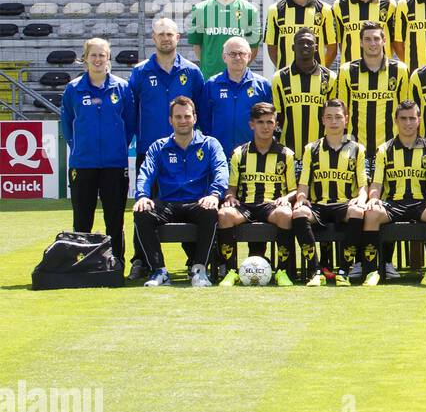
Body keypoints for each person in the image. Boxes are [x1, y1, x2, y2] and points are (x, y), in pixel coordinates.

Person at [126, 17, 206, 278]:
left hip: (187, 153)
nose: (165, 38)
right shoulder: (140, 72)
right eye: (160, 34)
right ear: (153, 38)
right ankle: (141, 261)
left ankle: (194, 259)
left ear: (178, 38)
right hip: (151, 153)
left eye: (170, 34)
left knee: (189, 203)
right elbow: (129, 111)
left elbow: (201, 111)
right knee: (145, 207)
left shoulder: (192, 72)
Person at [131, 96, 228, 287]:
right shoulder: (158, 147)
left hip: (197, 202)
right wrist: (142, 195)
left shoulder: (210, 144)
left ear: (195, 118)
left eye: (187, 116)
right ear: (170, 120)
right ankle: (159, 271)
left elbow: (221, 171)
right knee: (142, 212)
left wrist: (214, 194)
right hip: (168, 203)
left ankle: (199, 270)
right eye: (178, 117)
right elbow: (145, 172)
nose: (183, 121)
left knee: (210, 211)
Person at [61, 37, 135, 266]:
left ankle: (117, 261)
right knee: (82, 218)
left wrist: (117, 147)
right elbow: (67, 123)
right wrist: (80, 148)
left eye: (102, 54)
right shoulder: (73, 89)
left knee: (114, 218)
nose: (98, 59)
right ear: (85, 58)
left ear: (108, 57)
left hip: (114, 164)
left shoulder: (122, 87)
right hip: (83, 164)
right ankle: (81, 263)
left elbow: (130, 123)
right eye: (93, 55)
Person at [213, 102, 298, 287]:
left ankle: (282, 271)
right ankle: (230, 271)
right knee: (224, 214)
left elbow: (294, 189)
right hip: (246, 206)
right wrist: (230, 197)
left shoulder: (286, 154)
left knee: (285, 214)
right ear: (252, 124)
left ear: (276, 124)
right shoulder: (239, 153)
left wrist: (287, 198)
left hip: (271, 205)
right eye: (260, 122)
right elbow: (231, 188)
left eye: (270, 122)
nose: (266, 127)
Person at [360, 100, 426, 287]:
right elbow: (377, 183)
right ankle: (373, 271)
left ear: (419, 120)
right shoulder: (384, 150)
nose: (408, 123)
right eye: (403, 118)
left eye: (412, 118)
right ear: (395, 120)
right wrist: (373, 199)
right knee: (371, 213)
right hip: (393, 204)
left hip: (422, 203)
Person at [293, 99, 369, 286]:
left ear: (346, 119)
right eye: (329, 117)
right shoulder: (311, 149)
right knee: (299, 213)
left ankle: (344, 270)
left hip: (344, 205)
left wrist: (360, 199)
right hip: (319, 206)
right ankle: (315, 271)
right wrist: (301, 198)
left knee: (358, 211)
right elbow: (303, 184)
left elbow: (363, 186)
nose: (334, 122)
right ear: (322, 120)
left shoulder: (357, 149)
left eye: (338, 117)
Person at [335, 20, 411, 161]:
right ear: (361, 42)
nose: (372, 43)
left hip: (391, 147)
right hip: (355, 148)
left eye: (376, 39)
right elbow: (342, 111)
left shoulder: (399, 70)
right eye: (367, 39)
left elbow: (405, 109)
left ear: (384, 41)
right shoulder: (347, 71)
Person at [200, 36, 273, 160]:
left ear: (249, 56)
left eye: (241, 53)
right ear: (224, 57)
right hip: (220, 156)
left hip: (252, 156)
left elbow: (269, 120)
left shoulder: (263, 86)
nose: (237, 58)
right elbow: (204, 120)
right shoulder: (212, 85)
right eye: (232, 54)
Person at [187, 0, 261, 78]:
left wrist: (237, 68)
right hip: (209, 79)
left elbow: (253, 48)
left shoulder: (250, 10)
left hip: (239, 80)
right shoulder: (200, 9)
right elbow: (197, 46)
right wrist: (210, 66)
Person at [271, 28, 335, 159]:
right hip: (289, 153)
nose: (305, 45)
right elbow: (278, 117)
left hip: (321, 154)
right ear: (293, 47)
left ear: (316, 47)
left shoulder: (330, 77)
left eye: (309, 43)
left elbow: (333, 117)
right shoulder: (279, 78)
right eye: (301, 42)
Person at [265, 0, 328, 70]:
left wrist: (320, 69)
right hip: (286, 78)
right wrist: (284, 70)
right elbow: (272, 47)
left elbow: (332, 47)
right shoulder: (275, 10)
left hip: (316, 78)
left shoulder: (324, 9)